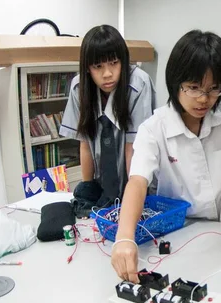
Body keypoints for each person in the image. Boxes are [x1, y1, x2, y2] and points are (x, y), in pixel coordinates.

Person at [111, 30, 221, 283]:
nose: (204, 99)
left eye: (214, 89)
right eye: (194, 88)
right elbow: (137, 181)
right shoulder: (153, 128)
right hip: (178, 233)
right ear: (175, 82)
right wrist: (124, 238)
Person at [60, 24, 155, 208]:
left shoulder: (138, 84)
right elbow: (85, 143)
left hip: (134, 173)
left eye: (114, 63)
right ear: (87, 68)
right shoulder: (79, 87)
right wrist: (88, 190)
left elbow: (133, 148)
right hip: (102, 181)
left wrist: (132, 201)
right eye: (98, 66)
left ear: (124, 61)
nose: (107, 74)